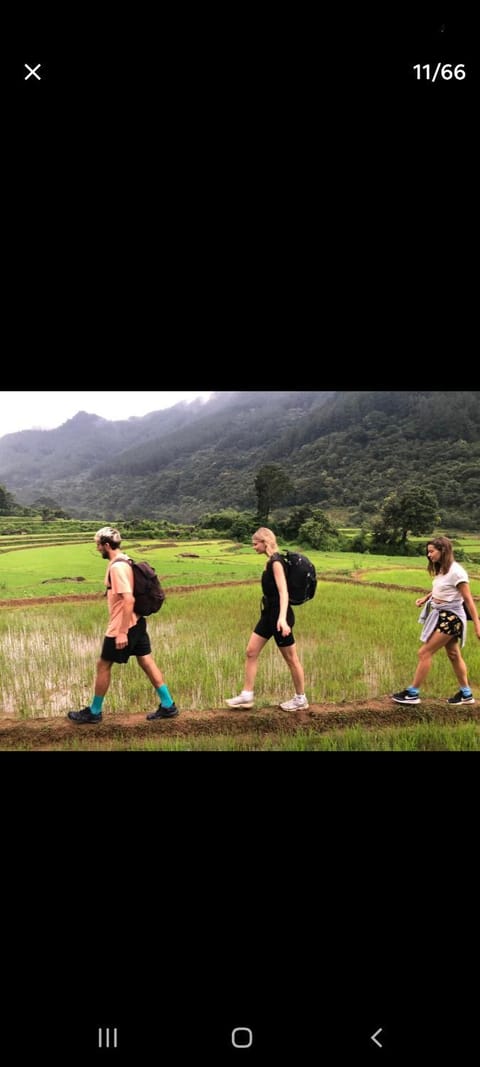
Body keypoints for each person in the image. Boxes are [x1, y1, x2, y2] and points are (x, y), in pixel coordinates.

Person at [67, 526, 179, 723]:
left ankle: (94, 712)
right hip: (137, 622)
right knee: (146, 660)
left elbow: (128, 600)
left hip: (123, 625)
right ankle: (168, 705)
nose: (97, 549)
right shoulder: (125, 559)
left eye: (99, 546)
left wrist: (121, 633)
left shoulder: (118, 567)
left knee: (103, 665)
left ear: (107, 545)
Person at [226, 527, 309, 711]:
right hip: (268, 614)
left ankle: (300, 698)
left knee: (291, 659)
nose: (253, 547)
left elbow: (284, 592)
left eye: (255, 544)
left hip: (279, 617)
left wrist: (282, 619)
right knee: (251, 651)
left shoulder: (277, 563)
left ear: (265, 542)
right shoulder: (271, 561)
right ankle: (247, 695)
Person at [392, 536, 480, 706]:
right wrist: (425, 598)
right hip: (442, 615)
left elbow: (468, 599)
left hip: (452, 618)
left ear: (443, 551)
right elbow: (440, 589)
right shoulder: (442, 570)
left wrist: (477, 624)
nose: (429, 555)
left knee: (424, 653)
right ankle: (466, 694)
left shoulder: (457, 572)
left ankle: (413, 693)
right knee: (453, 654)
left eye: (432, 551)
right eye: (428, 551)